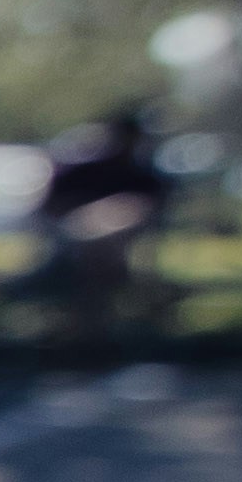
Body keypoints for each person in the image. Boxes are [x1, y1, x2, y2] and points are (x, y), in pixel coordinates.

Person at [36, 103, 173, 354]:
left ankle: (95, 332)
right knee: (94, 255)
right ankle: (92, 333)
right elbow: (51, 208)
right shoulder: (84, 171)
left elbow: (152, 213)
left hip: (117, 248)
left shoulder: (142, 176)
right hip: (77, 246)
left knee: (104, 253)